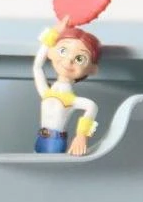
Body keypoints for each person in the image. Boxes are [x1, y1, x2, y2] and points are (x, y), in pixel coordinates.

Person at [33, 17, 101, 155]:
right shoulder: (46, 92)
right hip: (41, 138)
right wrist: (52, 33)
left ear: (92, 69)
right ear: (51, 52)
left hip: (55, 141)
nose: (69, 60)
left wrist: (82, 136)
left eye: (80, 58)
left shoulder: (70, 100)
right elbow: (37, 67)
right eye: (63, 51)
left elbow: (92, 107)